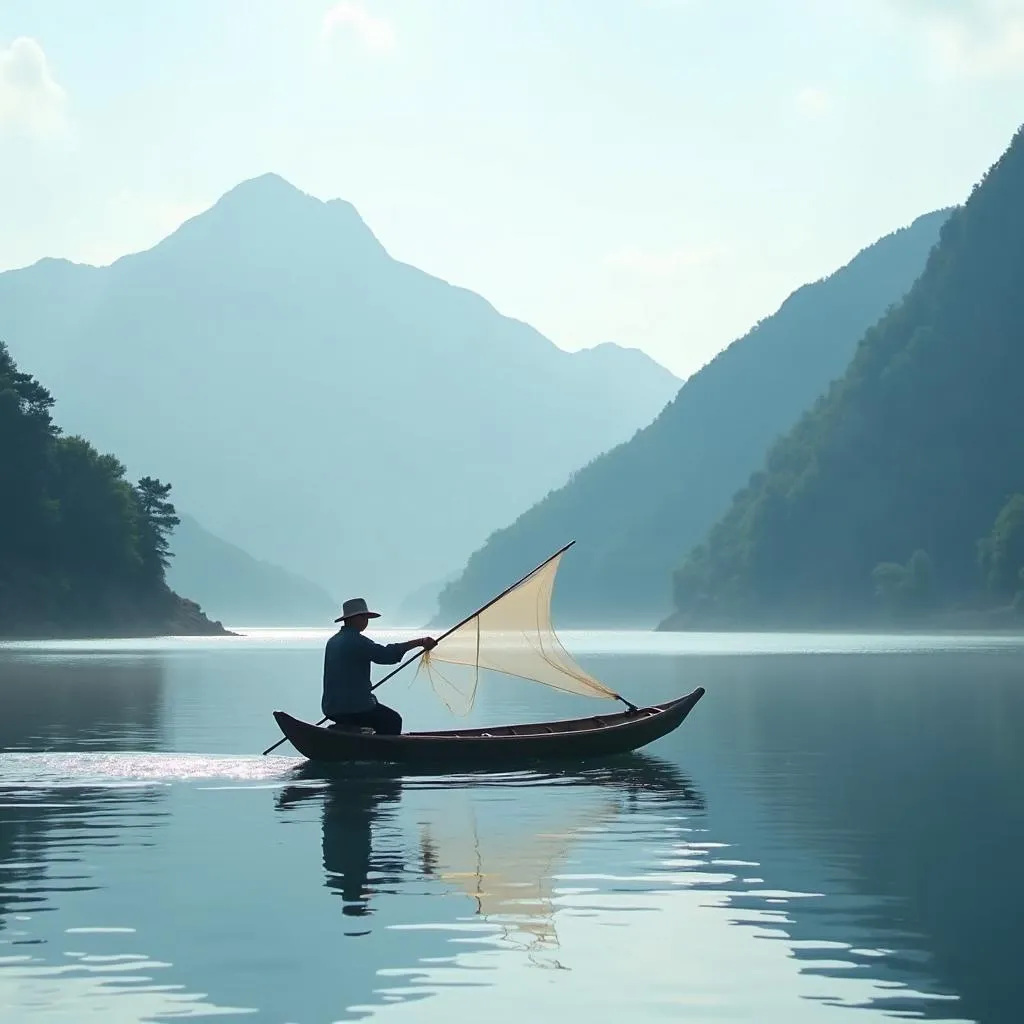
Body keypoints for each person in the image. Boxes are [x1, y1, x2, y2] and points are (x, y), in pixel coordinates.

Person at [322, 597, 436, 735]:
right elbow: (387, 655)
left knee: (376, 716)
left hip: (332, 709)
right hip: (354, 708)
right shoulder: (358, 642)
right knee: (393, 720)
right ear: (353, 619)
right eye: (364, 617)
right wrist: (420, 642)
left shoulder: (332, 642)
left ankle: (354, 732)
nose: (366, 621)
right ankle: (379, 751)